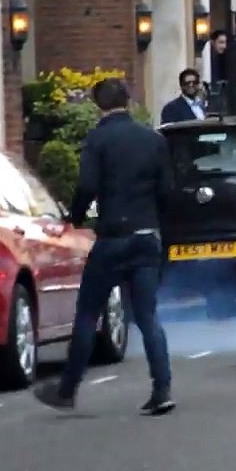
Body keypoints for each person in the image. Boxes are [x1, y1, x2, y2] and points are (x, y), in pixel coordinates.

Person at [34, 78, 177, 416]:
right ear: (128, 100)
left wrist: (76, 216)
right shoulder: (153, 139)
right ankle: (162, 388)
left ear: (98, 104)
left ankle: (67, 390)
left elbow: (86, 185)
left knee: (87, 313)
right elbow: (167, 190)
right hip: (146, 235)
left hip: (113, 237)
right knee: (146, 315)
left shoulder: (98, 139)